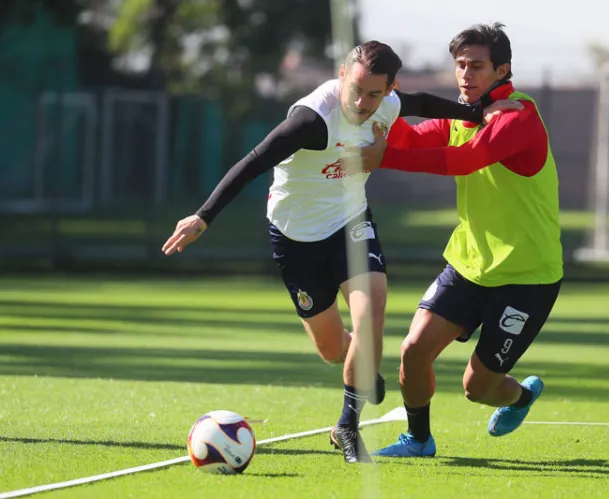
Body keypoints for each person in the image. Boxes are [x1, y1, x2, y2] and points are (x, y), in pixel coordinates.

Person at [161, 40, 514, 463]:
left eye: (375, 94)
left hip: (350, 223)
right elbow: (253, 162)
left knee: (371, 315)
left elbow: (421, 102)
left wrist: (477, 113)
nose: (363, 103)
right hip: (294, 236)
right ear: (342, 76)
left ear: (389, 90)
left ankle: (346, 425)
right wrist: (203, 216)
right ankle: (361, 370)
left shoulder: (388, 102)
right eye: (356, 90)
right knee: (332, 349)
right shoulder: (311, 121)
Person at [349, 23, 563, 458]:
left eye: (477, 66)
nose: (465, 74)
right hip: (468, 265)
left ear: (502, 69)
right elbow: (411, 137)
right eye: (461, 65)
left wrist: (386, 155)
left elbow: (469, 159)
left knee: (477, 388)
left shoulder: (518, 117)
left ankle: (520, 396)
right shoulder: (463, 117)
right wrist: (382, 104)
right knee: (413, 351)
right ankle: (419, 440)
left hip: (528, 276)